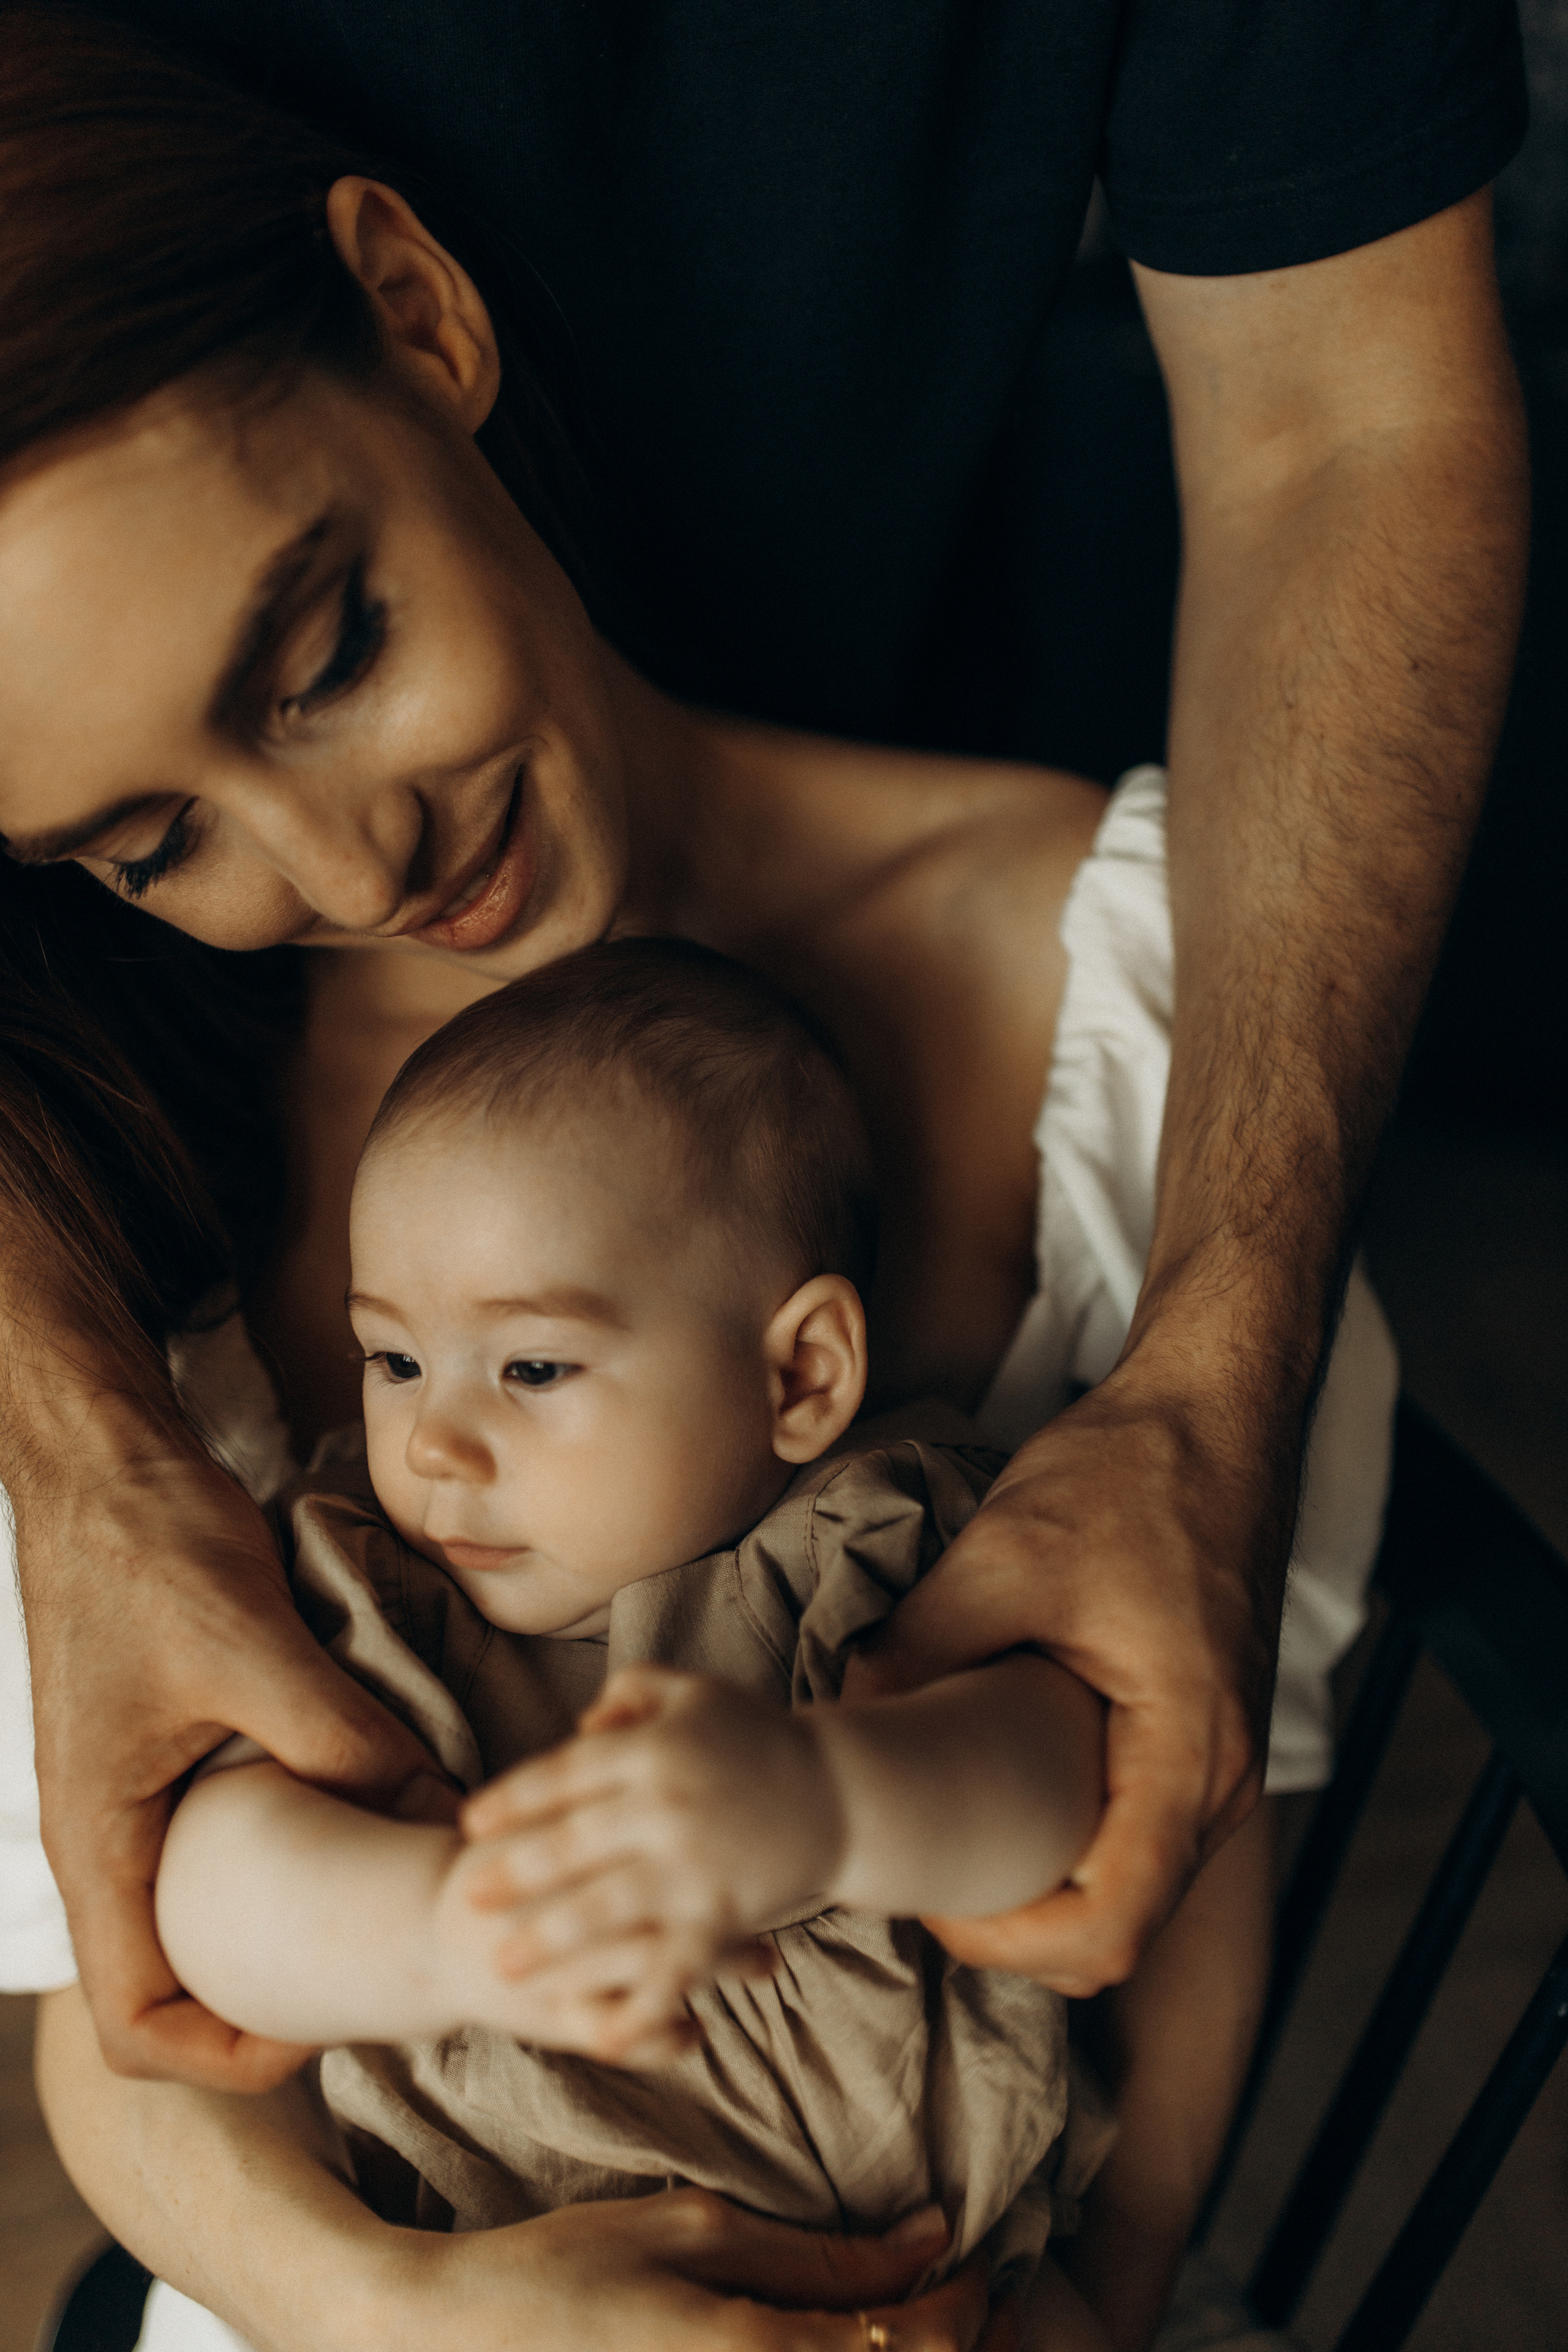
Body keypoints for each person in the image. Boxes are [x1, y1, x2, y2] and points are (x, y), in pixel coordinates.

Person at [0, 2, 1517, 2343]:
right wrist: (429, 2318)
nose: (349, 856)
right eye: (149, 842)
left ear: (417, 314)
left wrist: (1100, 2300)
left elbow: (1180, 1820)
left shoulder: (1120, 991)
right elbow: (127, 1988)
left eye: (332, 651)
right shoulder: (113, 1215)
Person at [141, 938, 1121, 2352]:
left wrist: (834, 1802)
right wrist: (447, 1928)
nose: (433, 1439)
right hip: (504, 2294)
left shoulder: (877, 1550)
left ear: (798, 1375)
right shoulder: (366, 1607)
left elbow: (1059, 1785)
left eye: (531, 1367)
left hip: (937, 2302)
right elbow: (208, 1898)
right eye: (393, 1357)